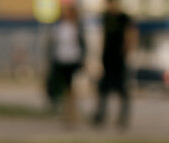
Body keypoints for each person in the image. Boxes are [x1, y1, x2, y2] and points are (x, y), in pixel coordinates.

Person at [92, 0, 136, 128]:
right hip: (107, 58)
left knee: (122, 89)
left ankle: (123, 118)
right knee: (103, 88)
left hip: (119, 58)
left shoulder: (124, 18)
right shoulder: (105, 17)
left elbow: (131, 34)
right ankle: (101, 115)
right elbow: (103, 36)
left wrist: (127, 52)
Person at [46, 3, 86, 125]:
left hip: (73, 61)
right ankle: (66, 112)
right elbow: (52, 44)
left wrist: (83, 60)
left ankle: (71, 113)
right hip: (61, 60)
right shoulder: (58, 27)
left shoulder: (77, 27)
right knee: (63, 88)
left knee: (71, 88)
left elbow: (83, 44)